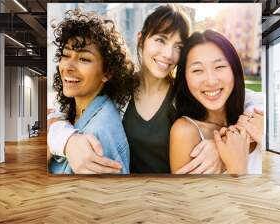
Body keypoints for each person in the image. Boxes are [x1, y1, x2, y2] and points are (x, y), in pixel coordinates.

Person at [48, 4, 263, 174]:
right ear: (141, 39)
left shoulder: (185, 91)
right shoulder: (117, 88)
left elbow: (244, 99)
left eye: (178, 47)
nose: (168, 54)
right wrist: (68, 141)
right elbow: (58, 115)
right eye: (160, 40)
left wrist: (221, 145)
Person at [47, 9, 138, 174]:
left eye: (84, 59)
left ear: (107, 72)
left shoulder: (99, 134)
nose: (68, 67)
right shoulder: (74, 110)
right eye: (66, 55)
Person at [170, 30, 263, 175]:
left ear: (234, 69)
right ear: (185, 78)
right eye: (197, 70)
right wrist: (237, 169)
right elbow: (185, 196)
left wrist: (221, 144)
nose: (211, 81)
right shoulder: (185, 131)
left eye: (219, 67)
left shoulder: (254, 114)